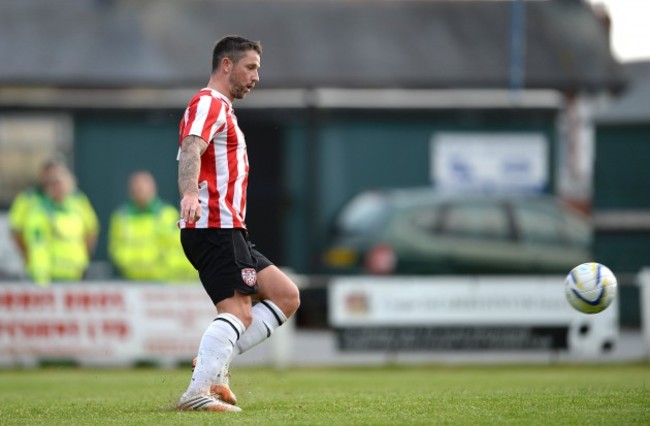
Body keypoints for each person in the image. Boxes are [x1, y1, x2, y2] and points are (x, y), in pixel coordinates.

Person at [175, 35, 300, 412]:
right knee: (238, 312)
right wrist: (190, 193)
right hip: (214, 227)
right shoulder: (208, 103)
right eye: (251, 67)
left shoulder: (223, 109)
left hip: (230, 229)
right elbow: (192, 146)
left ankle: (214, 366)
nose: (256, 76)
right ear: (226, 65)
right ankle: (198, 391)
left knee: (285, 295)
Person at [19, 161, 99, 285]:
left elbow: (90, 233)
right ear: (48, 188)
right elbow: (37, 245)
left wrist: (82, 262)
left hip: (74, 274)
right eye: (55, 184)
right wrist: (41, 275)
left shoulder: (77, 208)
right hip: (48, 277)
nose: (59, 188)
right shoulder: (40, 211)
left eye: (62, 184)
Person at [108, 170, 196, 282]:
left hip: (162, 280)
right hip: (130, 279)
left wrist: (165, 267)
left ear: (153, 189)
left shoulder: (167, 214)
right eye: (136, 187)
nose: (140, 190)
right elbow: (115, 248)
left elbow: (178, 247)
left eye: (143, 187)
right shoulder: (120, 217)